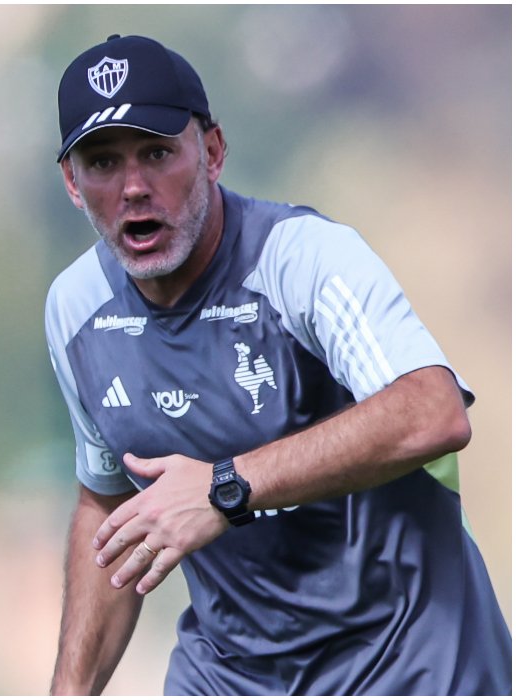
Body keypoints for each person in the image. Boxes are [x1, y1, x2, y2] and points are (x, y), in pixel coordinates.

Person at [44, 34, 511, 695]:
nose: (134, 188)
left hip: (411, 663)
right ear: (71, 181)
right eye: (101, 162)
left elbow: (432, 410)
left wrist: (223, 489)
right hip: (230, 675)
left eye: (156, 153)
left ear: (211, 151)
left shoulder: (304, 260)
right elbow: (110, 505)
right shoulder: (75, 308)